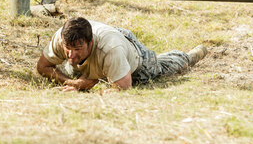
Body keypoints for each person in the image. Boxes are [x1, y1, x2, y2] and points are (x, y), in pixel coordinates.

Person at [36, 17, 208, 91]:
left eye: (77, 49)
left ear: (90, 43)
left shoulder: (111, 49)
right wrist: (73, 83)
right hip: (106, 48)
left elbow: (124, 87)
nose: (71, 56)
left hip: (129, 51)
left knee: (160, 68)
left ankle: (190, 55)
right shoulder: (62, 37)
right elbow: (42, 66)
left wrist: (88, 86)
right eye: (68, 48)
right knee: (72, 68)